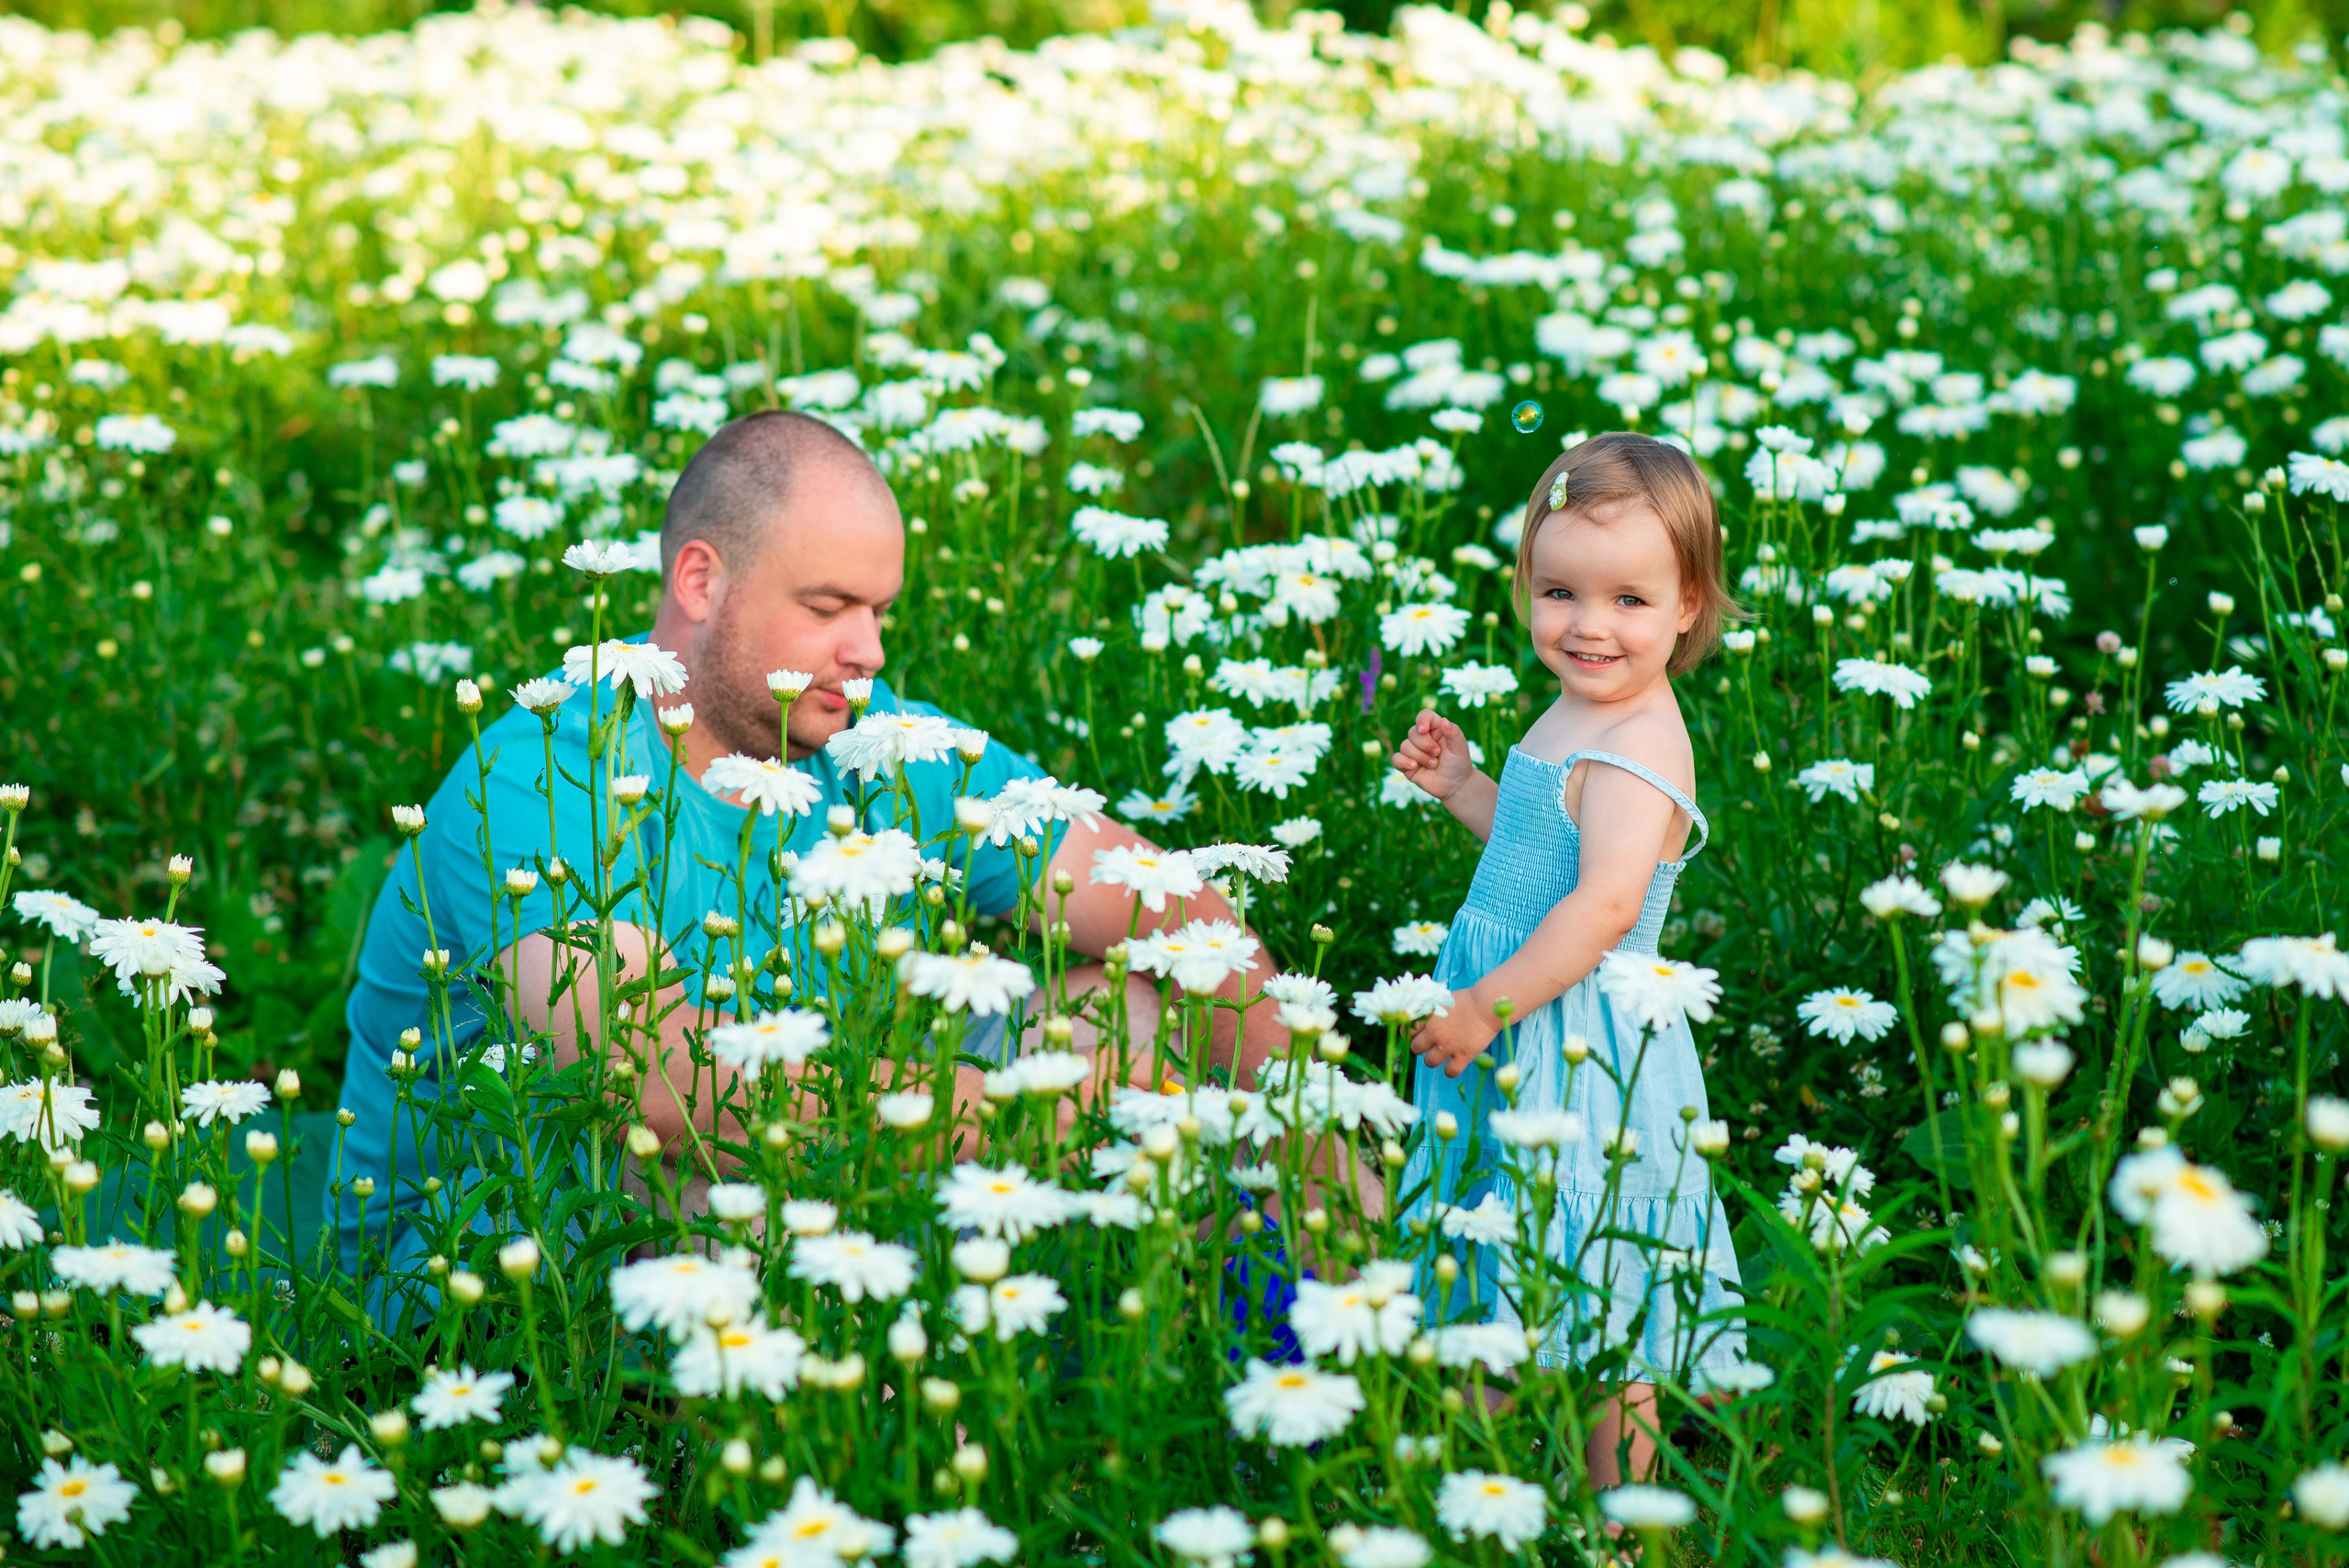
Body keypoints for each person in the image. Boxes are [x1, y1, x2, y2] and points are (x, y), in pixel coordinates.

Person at [330, 408, 1294, 1281]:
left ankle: (1218, 1321)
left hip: (824, 1175)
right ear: (701, 580)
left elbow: (1163, 902)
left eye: (879, 612)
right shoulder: (549, 770)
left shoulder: (878, 745)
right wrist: (1024, 1110)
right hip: (499, 1270)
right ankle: (848, 1438)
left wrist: (1327, 1159)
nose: (868, 650)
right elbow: (652, 1083)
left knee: (1136, 1003)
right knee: (690, 1180)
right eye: (829, 609)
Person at [1388, 432, 1744, 1487]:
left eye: (1630, 600)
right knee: (1494, 1234)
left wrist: (1483, 1008)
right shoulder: (1578, 707)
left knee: (1602, 1279)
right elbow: (1540, 862)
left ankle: (1617, 1509)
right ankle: (1482, 1471)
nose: (1589, 625)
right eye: (1560, 592)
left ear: (1688, 605)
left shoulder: (1640, 743)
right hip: (1521, 1012)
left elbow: (1603, 905)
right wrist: (1464, 789)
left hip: (1577, 1040)